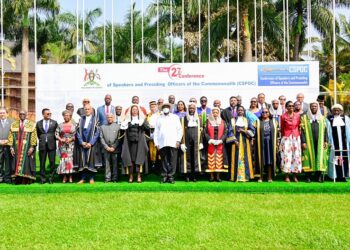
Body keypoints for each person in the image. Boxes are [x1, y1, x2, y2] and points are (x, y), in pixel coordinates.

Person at [154, 103, 183, 184]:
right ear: (162, 109)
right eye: (164, 107)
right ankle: (164, 176)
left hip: (173, 142)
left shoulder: (175, 117)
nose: (165, 108)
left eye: (167, 107)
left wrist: (178, 140)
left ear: (169, 108)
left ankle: (171, 176)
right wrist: (156, 143)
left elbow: (179, 130)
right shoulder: (159, 118)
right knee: (163, 160)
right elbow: (156, 131)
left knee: (173, 160)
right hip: (162, 142)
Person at [300, 102, 329, 183]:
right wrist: (303, 142)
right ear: (309, 107)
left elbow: (325, 130)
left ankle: (318, 176)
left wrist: (326, 140)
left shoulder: (322, 118)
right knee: (308, 158)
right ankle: (308, 177)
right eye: (312, 106)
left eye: (315, 106)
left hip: (319, 142)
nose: (314, 107)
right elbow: (301, 131)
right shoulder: (304, 118)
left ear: (318, 107)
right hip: (308, 142)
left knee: (319, 157)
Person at [121, 105, 149, 183]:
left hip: (139, 143)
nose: (134, 111)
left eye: (136, 109)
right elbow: (122, 131)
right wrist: (124, 124)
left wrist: (143, 123)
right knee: (131, 160)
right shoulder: (127, 120)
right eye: (133, 109)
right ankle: (131, 176)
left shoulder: (142, 119)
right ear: (131, 111)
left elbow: (148, 128)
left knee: (138, 160)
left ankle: (139, 176)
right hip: (129, 144)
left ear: (138, 111)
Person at [8, 110, 37, 184]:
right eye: (20, 114)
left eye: (23, 114)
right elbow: (10, 136)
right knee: (16, 162)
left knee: (27, 162)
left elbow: (34, 136)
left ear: (26, 115)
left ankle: (26, 179)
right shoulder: (14, 124)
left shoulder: (31, 124)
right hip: (16, 147)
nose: (22, 115)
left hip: (27, 147)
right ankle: (18, 179)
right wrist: (11, 147)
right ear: (18, 115)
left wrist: (32, 147)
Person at [227, 106, 255, 182]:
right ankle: (234, 177)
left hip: (245, 142)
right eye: (239, 110)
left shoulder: (247, 120)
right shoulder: (232, 120)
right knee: (235, 158)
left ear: (244, 111)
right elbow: (229, 132)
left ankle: (245, 177)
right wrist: (235, 141)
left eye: (242, 110)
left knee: (245, 157)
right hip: (235, 143)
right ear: (236, 111)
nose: (240, 111)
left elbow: (253, 131)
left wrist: (244, 131)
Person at [76, 105, 100, 184]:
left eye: (88, 109)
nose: (87, 110)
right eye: (85, 109)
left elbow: (97, 133)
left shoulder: (96, 120)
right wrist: (81, 142)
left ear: (92, 110)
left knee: (90, 161)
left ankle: (91, 178)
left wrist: (91, 143)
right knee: (83, 161)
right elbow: (77, 132)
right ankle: (83, 178)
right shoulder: (81, 120)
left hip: (91, 144)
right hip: (83, 143)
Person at [180, 103, 204, 182]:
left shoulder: (199, 119)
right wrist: (182, 143)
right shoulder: (184, 119)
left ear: (195, 109)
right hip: (187, 140)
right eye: (190, 108)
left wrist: (201, 142)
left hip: (196, 140)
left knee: (195, 157)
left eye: (193, 108)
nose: (191, 110)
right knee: (188, 157)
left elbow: (201, 132)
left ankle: (194, 175)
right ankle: (188, 175)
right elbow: (181, 131)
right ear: (188, 109)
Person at [254, 108, 279, 182]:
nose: (264, 113)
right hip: (260, 142)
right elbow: (254, 133)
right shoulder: (257, 122)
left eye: (266, 112)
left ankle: (269, 177)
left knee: (269, 159)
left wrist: (277, 142)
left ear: (269, 113)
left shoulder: (274, 122)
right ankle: (260, 177)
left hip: (270, 142)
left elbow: (277, 133)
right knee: (261, 159)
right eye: (263, 112)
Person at [280, 100, 302, 182]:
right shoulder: (283, 116)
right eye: (289, 106)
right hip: (286, 137)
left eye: (292, 106)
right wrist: (284, 137)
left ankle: (295, 175)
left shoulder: (297, 116)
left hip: (296, 137)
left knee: (296, 156)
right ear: (286, 107)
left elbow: (299, 126)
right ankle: (286, 175)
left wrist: (297, 136)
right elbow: (282, 128)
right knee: (286, 156)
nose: (291, 107)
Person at [327, 104, 350, 182]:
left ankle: (343, 176)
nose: (336, 112)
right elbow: (328, 132)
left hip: (344, 144)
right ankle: (336, 175)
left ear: (341, 111)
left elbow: (348, 131)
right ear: (332, 111)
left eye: (338, 110)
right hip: (334, 143)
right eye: (334, 110)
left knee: (344, 158)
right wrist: (330, 142)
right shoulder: (329, 119)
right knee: (335, 158)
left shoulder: (345, 119)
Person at [204, 107, 228, 181]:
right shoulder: (208, 122)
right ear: (211, 113)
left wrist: (221, 140)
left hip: (220, 143)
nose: (215, 114)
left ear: (219, 113)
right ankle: (211, 176)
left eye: (216, 112)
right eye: (213, 112)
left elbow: (225, 132)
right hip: (210, 143)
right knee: (211, 158)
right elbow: (205, 132)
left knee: (219, 158)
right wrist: (210, 139)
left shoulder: (223, 122)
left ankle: (218, 176)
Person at [36, 108, 58, 184]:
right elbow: (39, 134)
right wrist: (43, 139)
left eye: (50, 113)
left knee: (52, 162)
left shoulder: (54, 123)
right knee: (42, 163)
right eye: (47, 114)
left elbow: (56, 133)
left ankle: (51, 178)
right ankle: (42, 179)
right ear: (43, 114)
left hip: (52, 145)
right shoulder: (38, 123)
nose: (49, 115)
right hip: (42, 145)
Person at [56, 110, 77, 183]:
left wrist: (71, 139)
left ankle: (70, 176)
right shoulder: (60, 125)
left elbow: (76, 135)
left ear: (70, 116)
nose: (66, 116)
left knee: (70, 160)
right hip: (63, 145)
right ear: (63, 116)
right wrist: (61, 139)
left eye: (68, 115)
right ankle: (64, 176)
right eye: (65, 115)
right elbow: (56, 134)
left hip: (71, 145)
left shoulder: (74, 125)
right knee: (63, 160)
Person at [100, 113, 121, 183]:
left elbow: (119, 138)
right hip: (106, 149)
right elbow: (101, 138)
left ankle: (115, 178)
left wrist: (114, 147)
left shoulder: (118, 126)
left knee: (115, 164)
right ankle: (107, 178)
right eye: (108, 117)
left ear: (113, 118)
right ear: (106, 118)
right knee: (107, 164)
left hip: (115, 149)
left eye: (111, 117)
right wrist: (106, 147)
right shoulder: (102, 127)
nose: (109, 118)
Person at [146, 101, 160, 173]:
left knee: (158, 152)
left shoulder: (160, 115)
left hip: (158, 135)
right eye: (151, 107)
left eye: (154, 106)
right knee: (150, 152)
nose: (152, 108)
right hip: (150, 135)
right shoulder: (148, 115)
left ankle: (158, 169)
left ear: (157, 107)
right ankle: (151, 168)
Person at [0, 107, 14, 184]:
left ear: (7, 113)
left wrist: (8, 141)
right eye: (0, 113)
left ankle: (8, 178)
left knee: (8, 162)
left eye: (3, 112)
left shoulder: (12, 122)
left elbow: (14, 134)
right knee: (0, 162)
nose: (2, 114)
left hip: (9, 146)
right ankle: (0, 177)